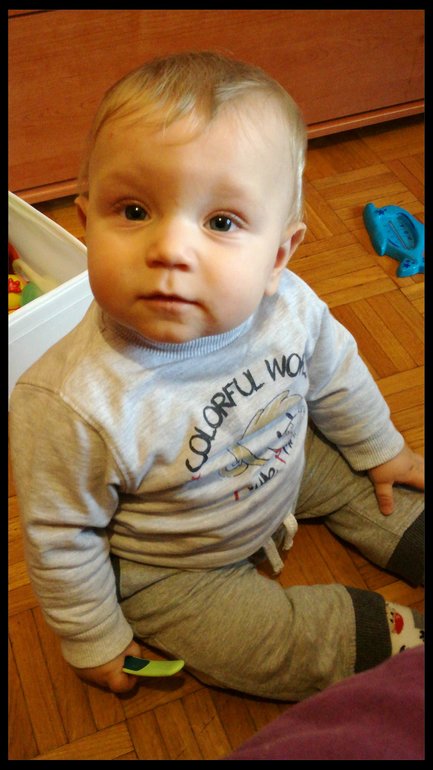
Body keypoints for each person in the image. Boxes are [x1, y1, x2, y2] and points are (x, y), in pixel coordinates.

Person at [9, 51, 424, 700]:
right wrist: (91, 635)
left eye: (221, 222)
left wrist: (381, 447)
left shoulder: (289, 307)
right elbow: (63, 535)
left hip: (284, 459)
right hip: (172, 565)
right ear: (85, 225)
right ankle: (389, 640)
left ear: (277, 256)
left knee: (368, 484)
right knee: (263, 644)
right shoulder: (67, 402)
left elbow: (337, 375)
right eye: (134, 211)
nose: (171, 249)